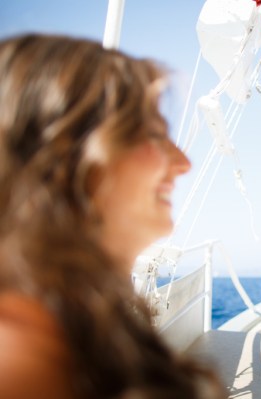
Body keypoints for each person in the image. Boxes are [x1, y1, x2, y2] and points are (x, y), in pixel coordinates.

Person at [0, 34, 228, 399]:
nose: (183, 164)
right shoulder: (20, 362)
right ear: (67, 155)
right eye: (153, 135)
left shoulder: (83, 321)